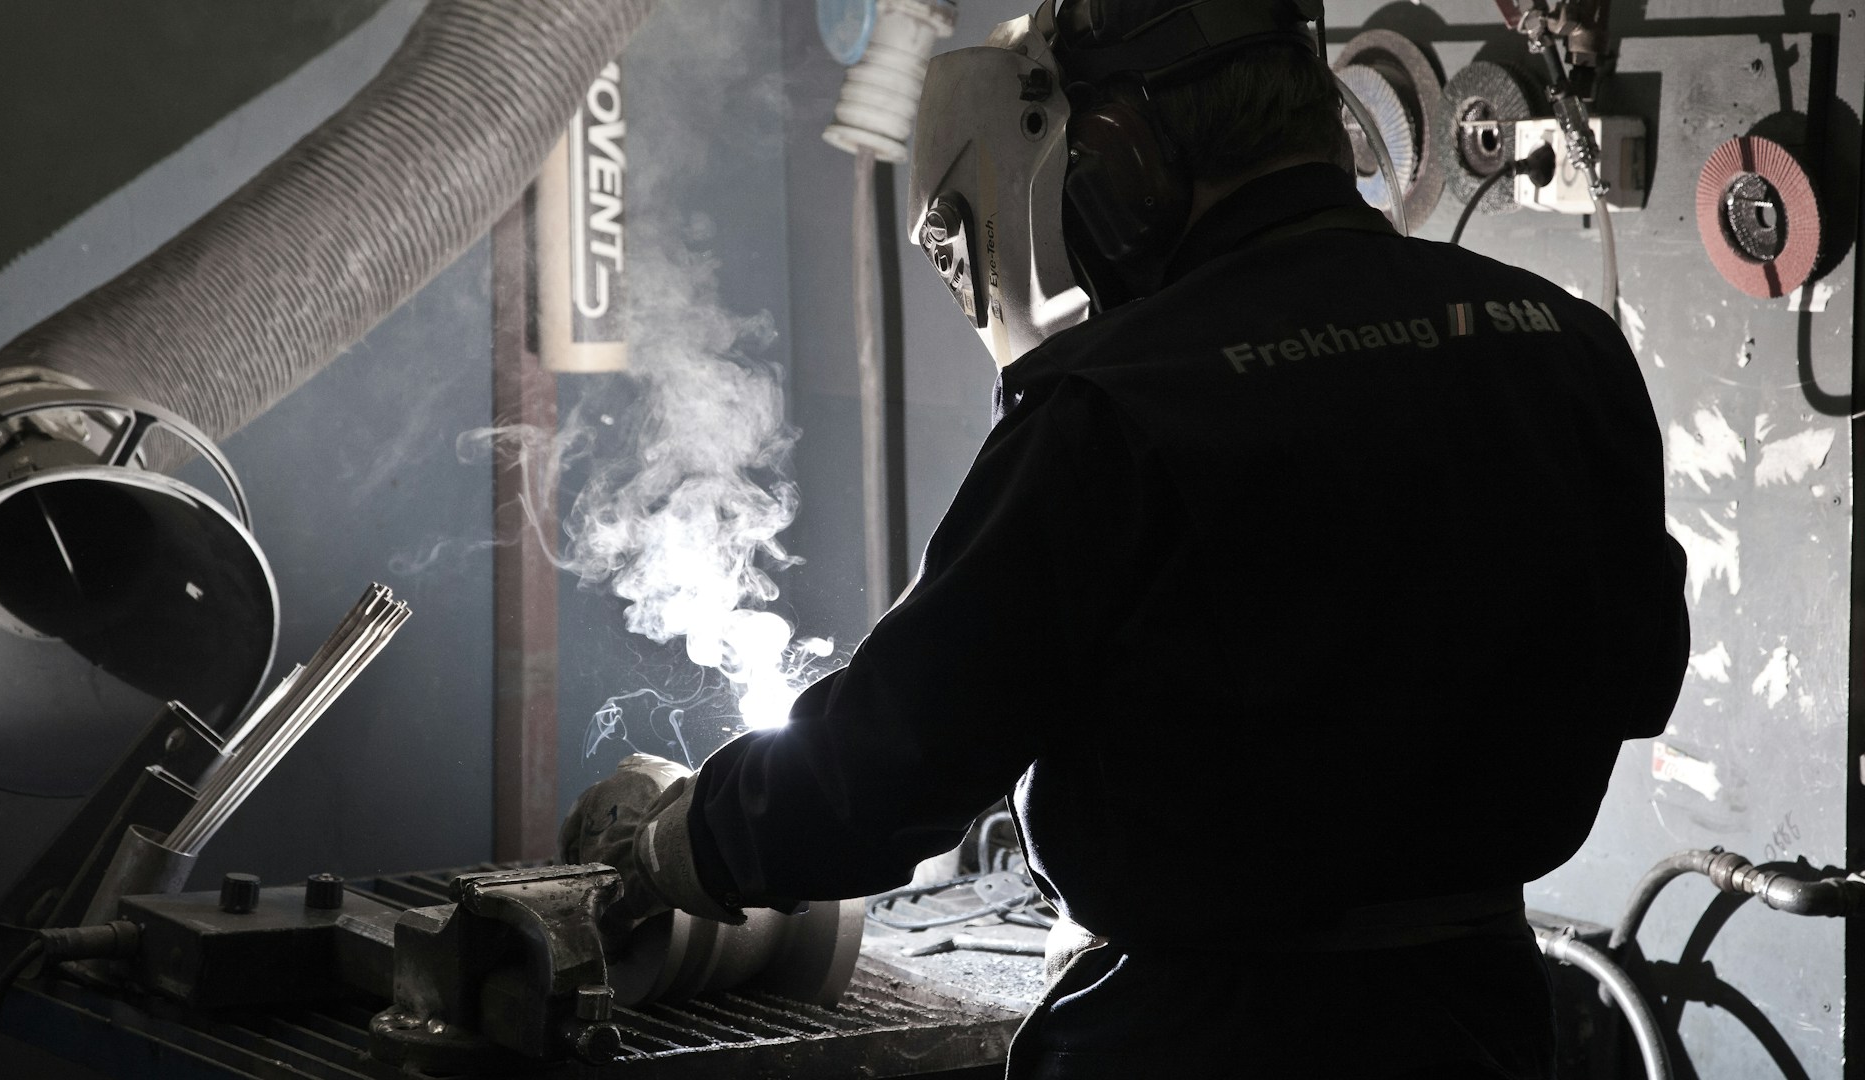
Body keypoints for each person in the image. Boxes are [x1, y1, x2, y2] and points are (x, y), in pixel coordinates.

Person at [562, 1, 1690, 1076]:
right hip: (1480, 1021)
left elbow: (889, 766)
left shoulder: (1116, 407)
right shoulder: (1564, 345)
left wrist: (685, 845)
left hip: (1199, 1041)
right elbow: (1644, 678)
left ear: (1115, 158)